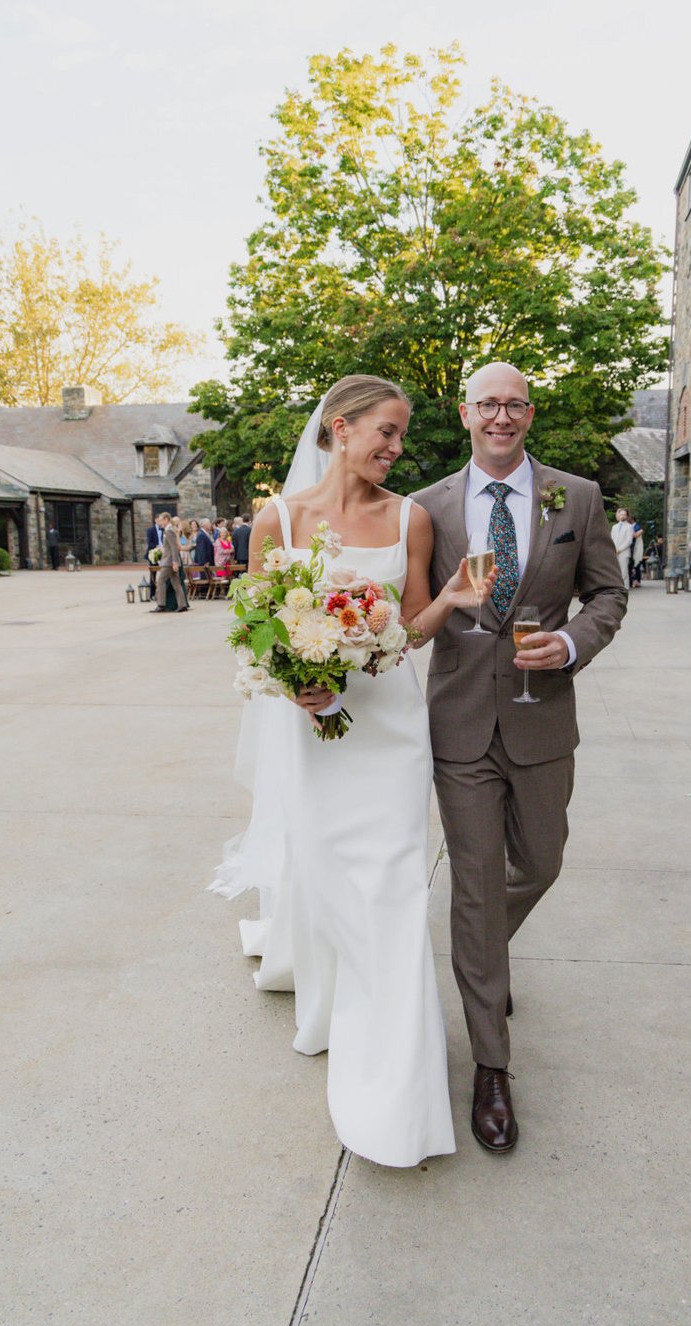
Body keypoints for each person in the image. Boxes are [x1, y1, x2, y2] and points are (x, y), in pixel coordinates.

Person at [210, 374, 491, 1168]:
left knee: (398, 892)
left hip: (392, 729)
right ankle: (340, 1001)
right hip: (314, 732)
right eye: (387, 432)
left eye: (402, 436)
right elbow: (255, 625)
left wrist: (457, 598)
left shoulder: (411, 518)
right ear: (340, 428)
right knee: (334, 885)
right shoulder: (278, 520)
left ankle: (399, 1089)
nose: (397, 449)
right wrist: (293, 678)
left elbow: (407, 626)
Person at [412, 361, 627, 1154]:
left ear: (529, 414)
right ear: (464, 414)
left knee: (538, 864)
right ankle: (491, 1067)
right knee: (474, 882)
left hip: (543, 720)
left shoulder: (577, 496)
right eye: (487, 405)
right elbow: (414, 616)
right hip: (461, 724)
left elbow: (609, 593)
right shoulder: (427, 506)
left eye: (514, 404)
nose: (501, 416)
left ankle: (483, 957)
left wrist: (571, 642)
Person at [150, 512, 188, 613]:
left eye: (161, 520)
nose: (160, 522)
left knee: (160, 581)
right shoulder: (169, 529)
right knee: (176, 583)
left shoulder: (169, 530)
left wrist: (175, 562)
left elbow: (174, 548)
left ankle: (161, 604)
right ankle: (182, 605)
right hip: (170, 560)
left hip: (169, 562)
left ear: (166, 519)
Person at [611, 507, 633, 587]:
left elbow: (629, 541)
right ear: (619, 515)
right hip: (614, 552)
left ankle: (625, 588)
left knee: (624, 572)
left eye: (624, 515)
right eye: (621, 514)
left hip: (624, 553)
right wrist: (613, 549)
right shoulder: (614, 527)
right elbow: (612, 539)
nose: (622, 516)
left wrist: (619, 550)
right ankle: (616, 587)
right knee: (615, 571)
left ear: (627, 516)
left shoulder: (629, 527)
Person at [629, 513, 644, 588]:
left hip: (635, 548)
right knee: (634, 565)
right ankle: (634, 580)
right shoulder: (632, 526)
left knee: (636, 564)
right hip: (632, 548)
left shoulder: (636, 526)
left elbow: (636, 534)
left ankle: (636, 580)